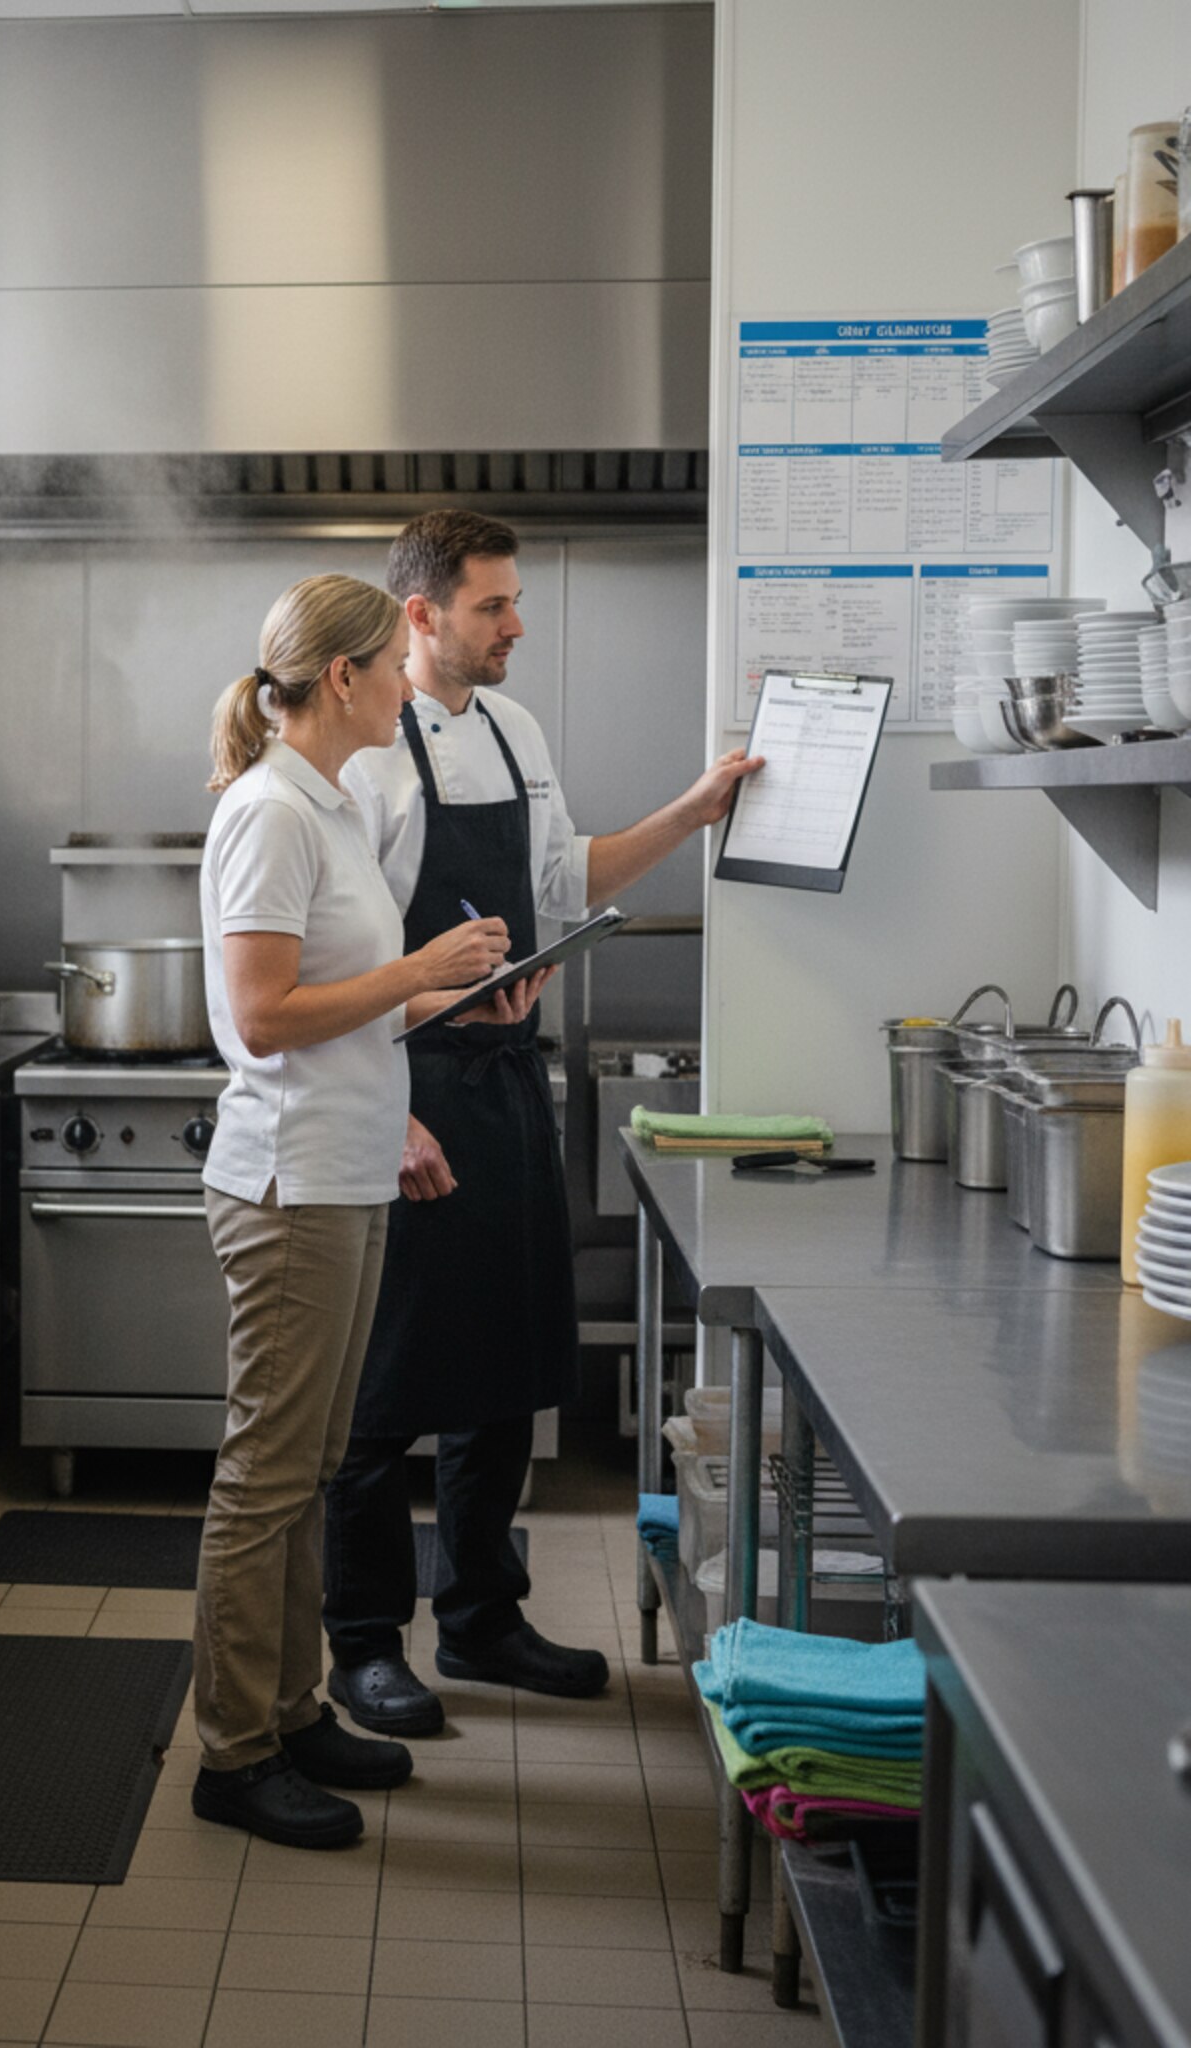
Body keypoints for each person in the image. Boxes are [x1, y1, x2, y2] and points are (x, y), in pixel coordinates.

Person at [323, 511, 764, 1736]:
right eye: (493, 605)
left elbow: (566, 879)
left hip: (508, 1083)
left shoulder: (515, 730)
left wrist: (694, 807)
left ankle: (478, 1617)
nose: (517, 623)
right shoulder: (363, 758)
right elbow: (339, 957)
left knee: (507, 1370)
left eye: (516, 601)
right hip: (407, 1089)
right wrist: (394, 1092)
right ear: (420, 615)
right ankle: (360, 1641)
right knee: (381, 1390)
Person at [191, 572, 514, 1850]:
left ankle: (292, 1707)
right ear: (342, 678)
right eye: (393, 664)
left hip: (346, 1166)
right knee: (264, 1476)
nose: (407, 684)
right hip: (287, 1186)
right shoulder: (269, 814)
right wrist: (416, 969)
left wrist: (452, 996)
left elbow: (343, 997)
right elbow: (262, 1016)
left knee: (310, 1466)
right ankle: (230, 1750)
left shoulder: (325, 805)